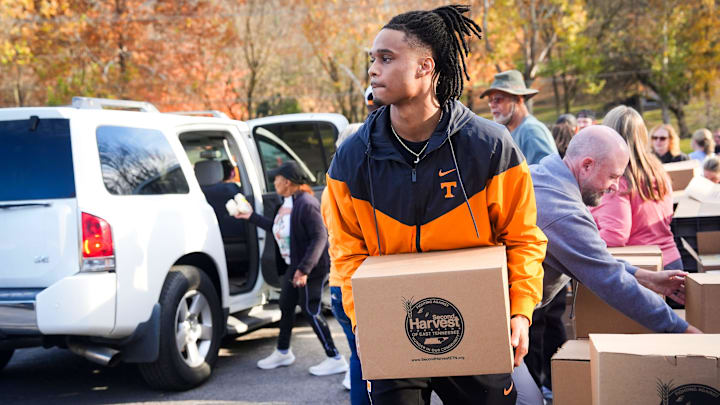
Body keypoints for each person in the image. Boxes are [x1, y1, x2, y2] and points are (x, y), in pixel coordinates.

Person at [325, 5, 548, 404]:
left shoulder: (490, 146)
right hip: (392, 327)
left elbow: (524, 239)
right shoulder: (351, 158)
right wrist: (363, 321)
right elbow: (346, 253)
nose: (373, 69)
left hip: (477, 322)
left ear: (426, 67)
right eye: (372, 59)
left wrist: (519, 312)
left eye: (386, 58)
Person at [530, 125, 702, 335]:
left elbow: (595, 258)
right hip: (495, 316)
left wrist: (647, 277)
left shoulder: (547, 179)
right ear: (587, 166)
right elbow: (610, 279)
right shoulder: (563, 211)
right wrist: (683, 330)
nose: (615, 186)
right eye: (612, 176)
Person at [234, 161, 348, 376]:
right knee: (286, 306)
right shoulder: (286, 203)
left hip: (310, 268)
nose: (274, 182)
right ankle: (283, 352)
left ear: (287, 182)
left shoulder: (306, 203)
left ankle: (335, 358)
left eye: (276, 179)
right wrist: (249, 217)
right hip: (293, 267)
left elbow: (319, 237)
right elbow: (276, 228)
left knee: (311, 310)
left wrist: (304, 269)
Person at [590, 106, 683, 269]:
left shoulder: (618, 180)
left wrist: (582, 244)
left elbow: (615, 235)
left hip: (644, 267)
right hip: (670, 259)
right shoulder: (657, 169)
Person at [322, 122, 368, 402]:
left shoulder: (329, 190)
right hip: (351, 282)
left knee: (360, 358)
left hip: (339, 282)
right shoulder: (347, 188)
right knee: (366, 361)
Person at [481, 69, 557, 165]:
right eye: (490, 100)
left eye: (497, 99)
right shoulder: (511, 131)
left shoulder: (531, 131)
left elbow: (547, 175)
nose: (492, 105)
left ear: (518, 99)